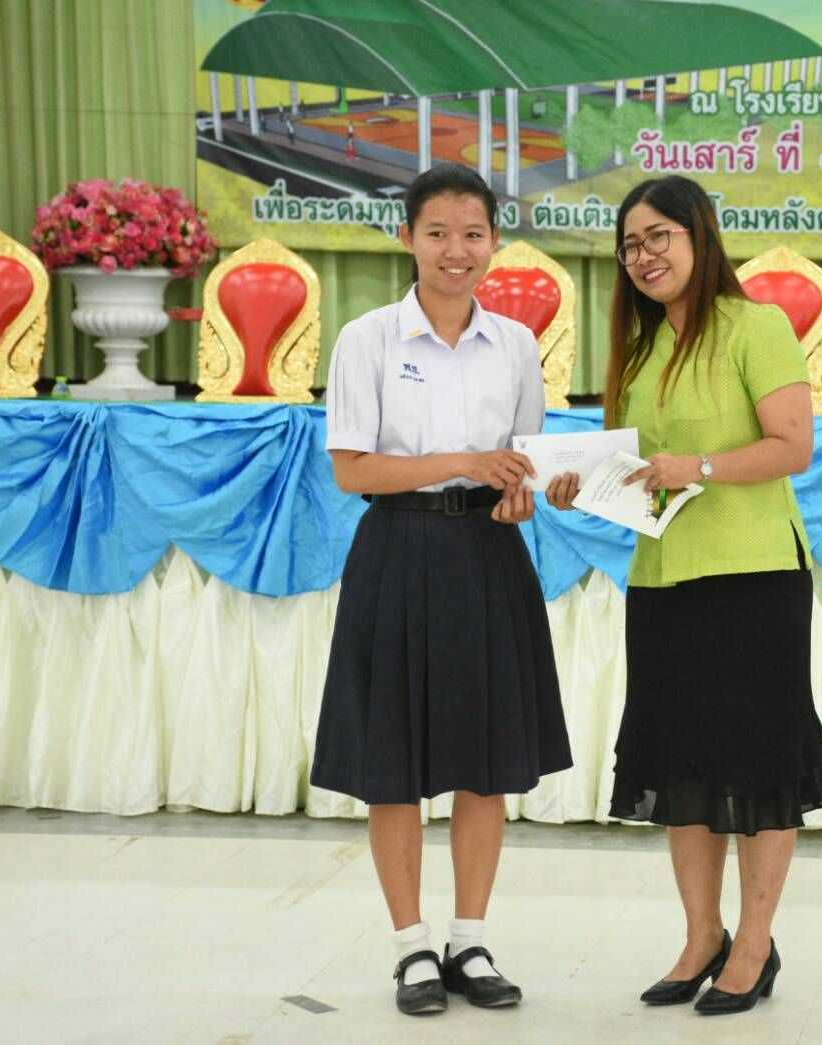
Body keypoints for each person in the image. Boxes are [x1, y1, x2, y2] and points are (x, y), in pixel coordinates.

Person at [549, 174, 822, 1016]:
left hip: (753, 575)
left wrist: (700, 466)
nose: (643, 256)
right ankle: (701, 934)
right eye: (629, 246)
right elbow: (646, 480)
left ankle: (754, 942)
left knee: (758, 762)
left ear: (700, 235)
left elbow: (792, 446)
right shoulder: (639, 348)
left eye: (658, 237)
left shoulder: (756, 325)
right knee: (680, 761)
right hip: (663, 578)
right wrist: (584, 487)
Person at [311, 164, 572, 1016]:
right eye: (437, 233)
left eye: (472, 234)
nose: (456, 251)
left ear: (494, 241)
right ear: (407, 239)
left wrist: (520, 491)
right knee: (393, 765)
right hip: (397, 550)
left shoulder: (517, 344)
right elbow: (353, 470)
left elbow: (521, 461)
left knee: (484, 761)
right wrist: (461, 459)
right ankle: (410, 947)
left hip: (489, 554)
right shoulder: (368, 340)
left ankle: (469, 938)